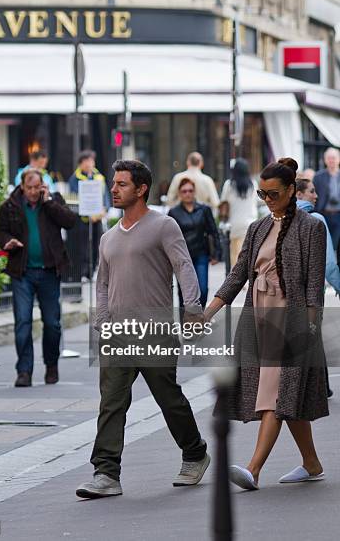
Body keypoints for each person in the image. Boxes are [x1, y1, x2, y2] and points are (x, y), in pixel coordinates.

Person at [76, 160, 210, 499]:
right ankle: (105, 473)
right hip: (117, 333)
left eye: (122, 184)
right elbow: (102, 283)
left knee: (169, 399)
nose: (114, 189)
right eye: (114, 184)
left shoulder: (164, 226)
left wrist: (192, 309)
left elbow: (184, 267)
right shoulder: (108, 236)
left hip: (155, 330)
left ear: (141, 189)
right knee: (112, 403)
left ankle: (195, 454)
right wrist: (102, 322)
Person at [203, 158, 328, 490]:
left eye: (273, 194)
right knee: (288, 396)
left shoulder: (311, 226)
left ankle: (253, 469)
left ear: (291, 190)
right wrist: (207, 312)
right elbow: (238, 274)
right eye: (262, 193)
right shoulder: (257, 228)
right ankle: (312, 463)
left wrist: (311, 328)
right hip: (258, 316)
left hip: (292, 320)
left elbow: (314, 283)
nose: (267, 199)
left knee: (274, 392)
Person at [0, 169, 77, 387]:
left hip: (50, 271)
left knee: (52, 323)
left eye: (36, 187)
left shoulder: (52, 201)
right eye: (29, 187)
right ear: (22, 186)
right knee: (23, 321)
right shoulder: (11, 205)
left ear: (43, 186)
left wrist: (49, 201)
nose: (33, 192)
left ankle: (51, 365)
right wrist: (7, 242)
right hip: (22, 272)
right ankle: (24, 371)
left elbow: (70, 221)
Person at [168, 178, 221, 308]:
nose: (187, 193)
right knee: (183, 293)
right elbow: (169, 238)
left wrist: (216, 254)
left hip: (201, 254)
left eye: (190, 190)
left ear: (194, 192)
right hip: (182, 257)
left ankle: (199, 316)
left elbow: (213, 232)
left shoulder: (204, 210)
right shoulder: (173, 212)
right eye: (184, 191)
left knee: (202, 289)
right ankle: (185, 323)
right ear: (180, 193)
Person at [68, 150, 110, 279]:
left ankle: (92, 271)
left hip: (97, 218)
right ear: (80, 164)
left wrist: (105, 209)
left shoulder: (99, 177)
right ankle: (83, 272)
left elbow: (105, 196)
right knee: (82, 246)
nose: (89, 164)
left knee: (96, 245)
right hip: (82, 220)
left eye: (91, 161)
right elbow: (75, 198)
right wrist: (88, 212)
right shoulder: (74, 179)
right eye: (86, 161)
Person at [296, 178, 340, 296]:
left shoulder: (276, 218)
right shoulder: (316, 219)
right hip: (310, 290)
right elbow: (328, 262)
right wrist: (338, 286)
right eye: (312, 191)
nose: (316, 196)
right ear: (299, 194)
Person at [219, 158, 258, 267]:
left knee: (235, 256)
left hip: (234, 224)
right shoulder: (253, 184)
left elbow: (223, 201)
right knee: (249, 256)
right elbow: (258, 201)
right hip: (250, 224)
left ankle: (238, 282)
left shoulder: (229, 185)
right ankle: (247, 281)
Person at [314, 147, 340, 260]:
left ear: (338, 159)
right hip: (324, 214)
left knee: (337, 244)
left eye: (333, 158)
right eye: (329, 158)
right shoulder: (318, 177)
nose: (331, 160)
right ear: (325, 160)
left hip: (339, 215)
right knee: (324, 244)